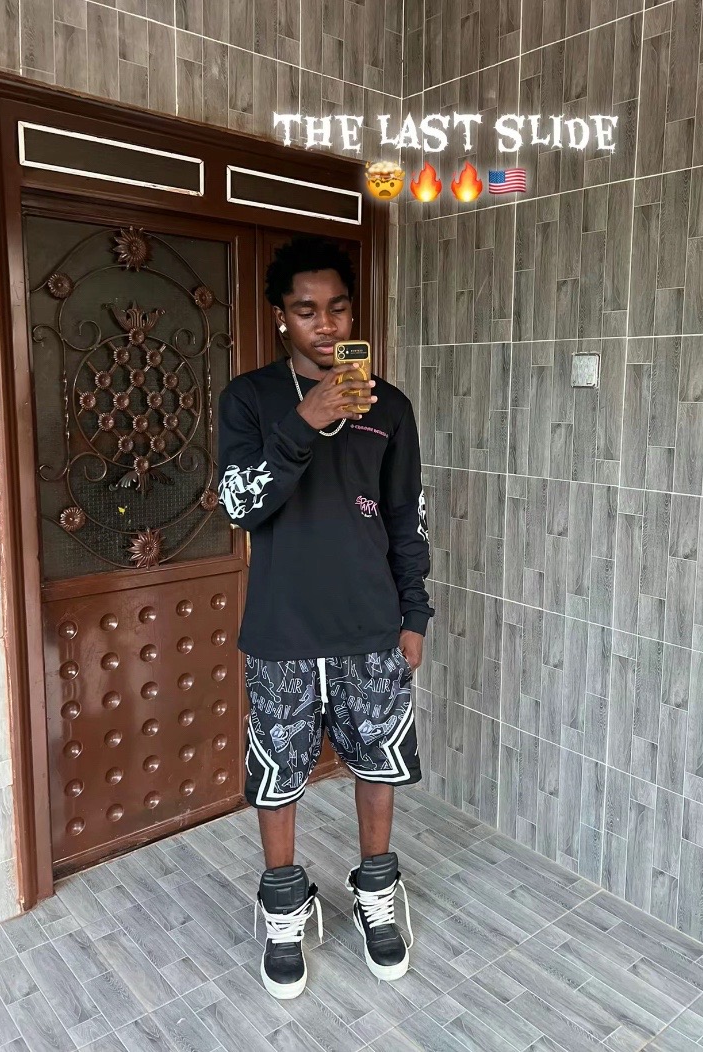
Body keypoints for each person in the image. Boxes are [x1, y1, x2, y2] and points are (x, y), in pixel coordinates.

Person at [217, 234, 434, 999]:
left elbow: (406, 518)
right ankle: (285, 903)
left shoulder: (390, 407)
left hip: (372, 626)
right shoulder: (250, 399)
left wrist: (415, 615)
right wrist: (303, 422)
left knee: (377, 764)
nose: (326, 323)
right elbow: (241, 505)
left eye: (338, 307)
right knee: (277, 775)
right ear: (281, 316)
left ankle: (377, 889)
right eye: (306, 310)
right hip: (282, 631)